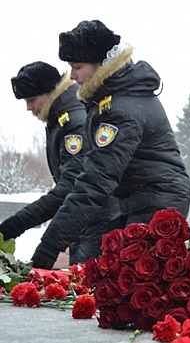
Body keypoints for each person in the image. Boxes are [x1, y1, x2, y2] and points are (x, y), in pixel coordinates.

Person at [30, 20, 190, 269]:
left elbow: (95, 182)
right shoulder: (110, 99)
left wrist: (49, 247)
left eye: (77, 67)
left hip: (157, 202)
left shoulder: (120, 110)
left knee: (137, 284)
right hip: (138, 198)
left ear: (101, 64)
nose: (72, 77)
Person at [0, 61, 116, 267]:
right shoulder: (62, 117)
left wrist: (15, 225)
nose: (29, 107)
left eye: (32, 99)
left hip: (95, 218)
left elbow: (71, 186)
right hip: (84, 218)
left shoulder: (73, 121)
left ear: (50, 92)